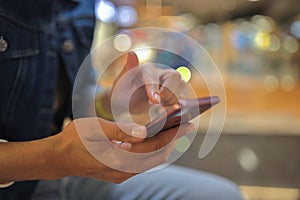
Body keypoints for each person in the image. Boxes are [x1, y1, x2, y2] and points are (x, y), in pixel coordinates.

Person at [0, 0, 244, 199]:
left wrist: (119, 102)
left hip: (50, 178)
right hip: (26, 176)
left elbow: (83, 107)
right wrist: (54, 156)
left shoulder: (82, 6)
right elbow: (61, 150)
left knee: (221, 195)